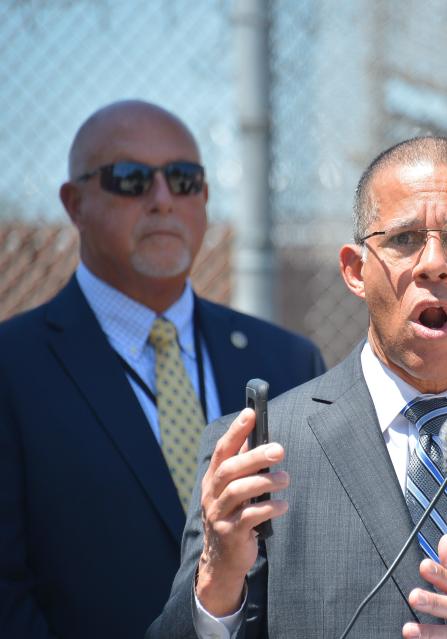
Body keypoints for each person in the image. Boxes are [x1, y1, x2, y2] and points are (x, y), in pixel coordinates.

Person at [147, 136, 447, 638]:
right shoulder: (260, 452)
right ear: (356, 271)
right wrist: (217, 583)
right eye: (404, 239)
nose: (433, 262)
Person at [0, 100, 326, 638]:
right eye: (129, 179)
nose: (161, 200)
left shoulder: (287, 361)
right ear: (74, 203)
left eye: (182, 178)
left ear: (203, 196)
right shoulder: (14, 371)